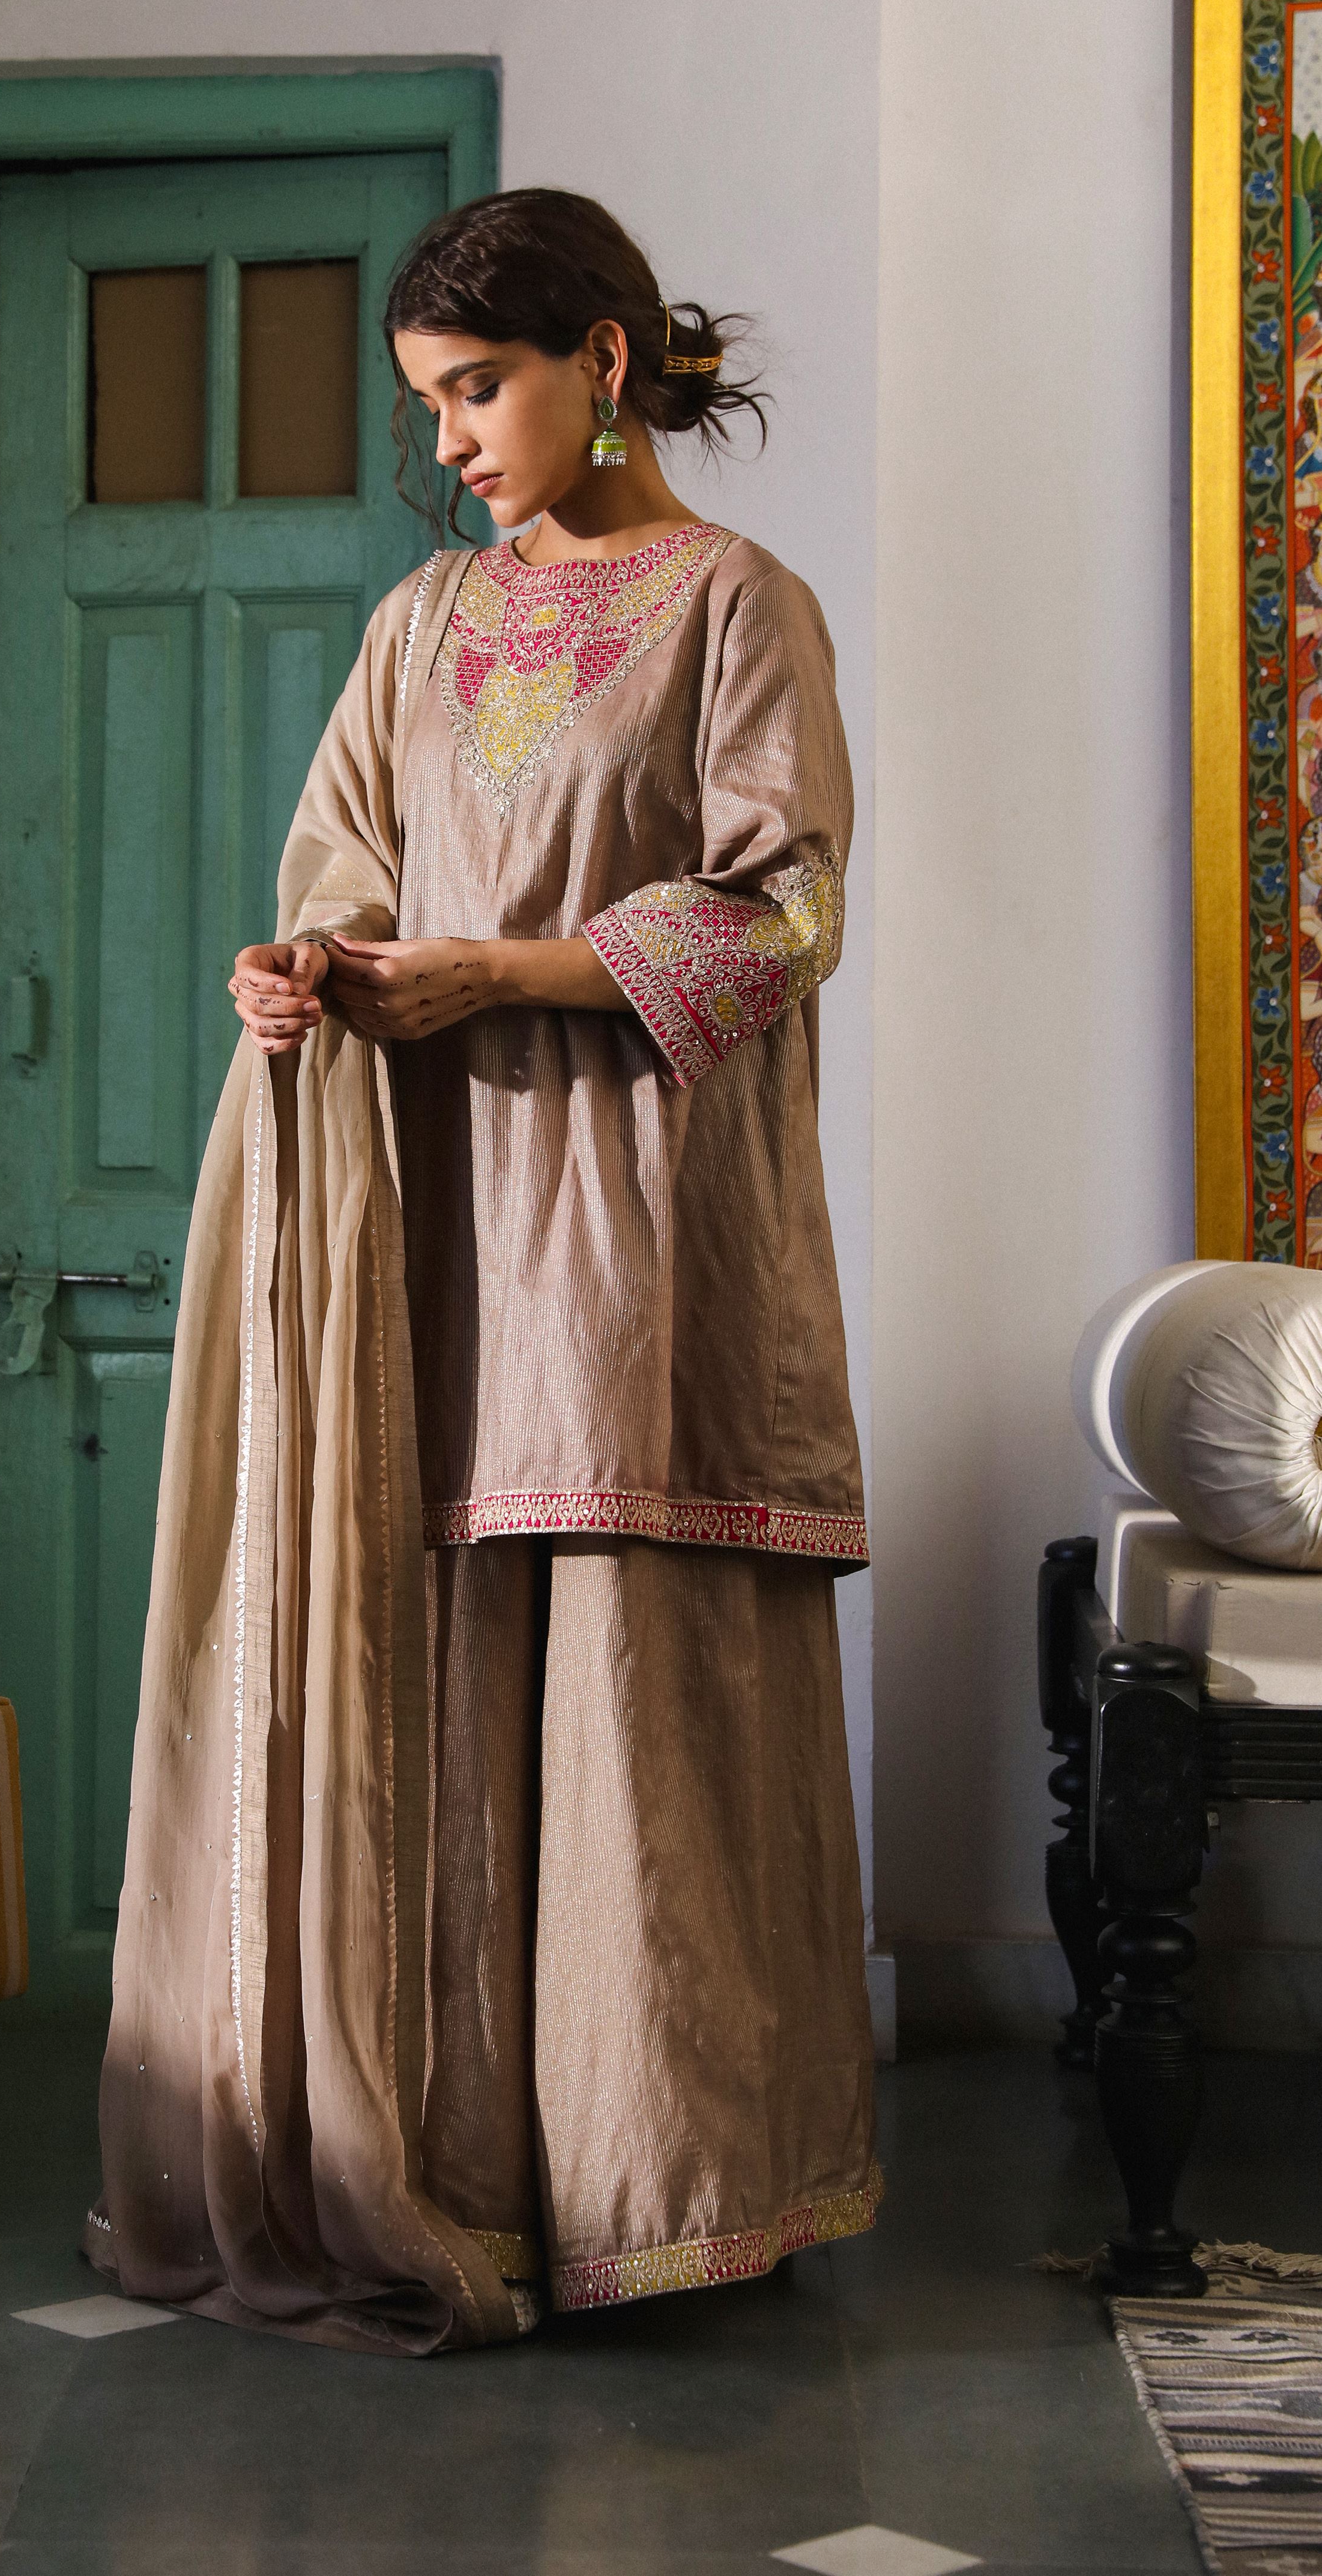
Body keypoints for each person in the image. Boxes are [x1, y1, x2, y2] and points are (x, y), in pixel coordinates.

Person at [83, 188, 876, 2355]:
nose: (447, 442)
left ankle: (666, 2197)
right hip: (433, 1218)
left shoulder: (740, 606)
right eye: (429, 402)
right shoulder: (423, 625)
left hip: (639, 1233)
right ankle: (459, 2182)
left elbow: (786, 912)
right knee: (436, 1673)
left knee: (629, 1687)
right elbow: (344, 862)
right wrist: (302, 970)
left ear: (602, 362)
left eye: (476, 389)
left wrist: (504, 974)